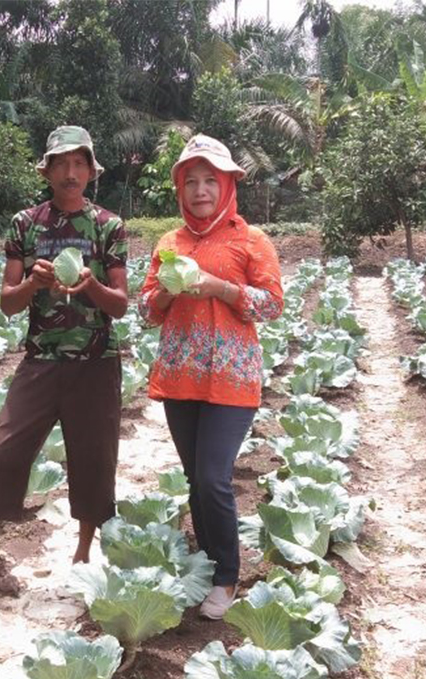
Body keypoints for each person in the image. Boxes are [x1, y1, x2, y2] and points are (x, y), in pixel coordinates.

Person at [0, 125, 129, 589]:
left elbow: (121, 305)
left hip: (96, 362)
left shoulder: (109, 226)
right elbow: (9, 303)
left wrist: (89, 283)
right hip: (42, 359)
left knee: (93, 459)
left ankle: (84, 551)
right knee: (2, 449)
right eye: (60, 163)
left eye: (79, 163)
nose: (70, 173)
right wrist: (33, 282)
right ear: (46, 170)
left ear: (91, 171)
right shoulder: (25, 224)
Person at [138, 134, 284, 619]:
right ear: (180, 190)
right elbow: (146, 310)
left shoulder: (251, 240)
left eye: (210, 181)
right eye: (191, 182)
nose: (200, 191)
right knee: (193, 479)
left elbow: (273, 304)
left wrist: (219, 286)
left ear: (226, 186)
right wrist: (166, 291)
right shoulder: (169, 243)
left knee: (212, 477)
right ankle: (204, 561)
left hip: (232, 377)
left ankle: (226, 575)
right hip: (181, 376)